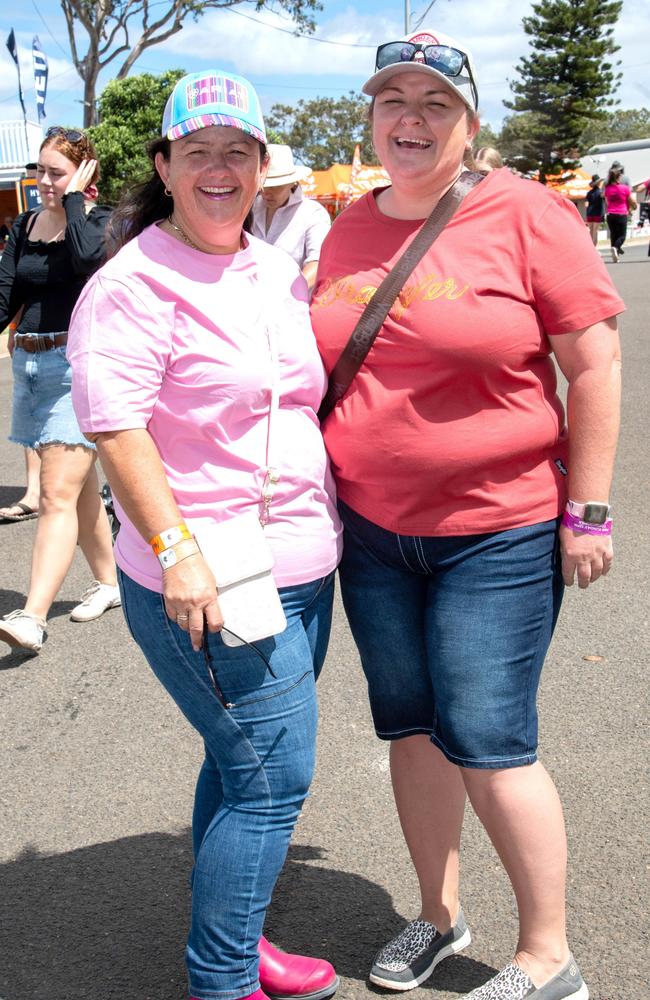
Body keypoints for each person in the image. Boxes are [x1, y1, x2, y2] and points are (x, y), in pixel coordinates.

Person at [311, 27, 622, 1000]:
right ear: (370, 115)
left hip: (498, 529)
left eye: (432, 103)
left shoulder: (524, 213)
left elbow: (595, 364)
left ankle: (547, 955)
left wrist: (590, 510)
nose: (409, 119)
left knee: (488, 738)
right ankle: (436, 917)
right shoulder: (344, 226)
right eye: (392, 100)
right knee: (409, 728)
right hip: (371, 533)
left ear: (467, 120)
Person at [67, 71, 342, 1000]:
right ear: (164, 164)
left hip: (302, 562)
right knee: (272, 777)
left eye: (239, 151)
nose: (219, 169)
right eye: (199, 152)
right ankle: (221, 978)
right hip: (210, 575)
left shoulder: (269, 266)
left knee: (239, 763)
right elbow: (115, 428)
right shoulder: (130, 283)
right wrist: (180, 553)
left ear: (263, 167)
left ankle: (240, 932)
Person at [0, 126, 119, 654]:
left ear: (85, 175)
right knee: (78, 490)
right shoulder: (25, 225)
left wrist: (75, 202)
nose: (44, 181)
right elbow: (6, 296)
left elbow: (90, 260)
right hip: (28, 365)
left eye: (57, 173)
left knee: (54, 494)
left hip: (77, 367)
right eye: (40, 171)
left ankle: (32, 616)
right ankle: (112, 583)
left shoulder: (100, 221)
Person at [250, 144, 330, 291]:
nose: (267, 193)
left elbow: (318, 262)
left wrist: (289, 294)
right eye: (264, 186)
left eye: (275, 187)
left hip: (294, 305)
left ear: (292, 182)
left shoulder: (312, 213)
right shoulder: (252, 208)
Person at [604, 165, 636, 262]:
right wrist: (634, 206)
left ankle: (615, 256)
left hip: (610, 214)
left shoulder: (607, 189)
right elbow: (631, 201)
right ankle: (616, 248)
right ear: (618, 177)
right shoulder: (624, 188)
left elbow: (607, 202)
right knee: (622, 236)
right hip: (621, 214)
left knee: (613, 235)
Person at [584, 174, 604, 246]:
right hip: (598, 214)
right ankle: (594, 248)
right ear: (598, 183)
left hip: (590, 214)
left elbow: (586, 205)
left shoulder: (589, 193)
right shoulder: (601, 192)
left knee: (590, 231)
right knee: (595, 231)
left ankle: (590, 247)